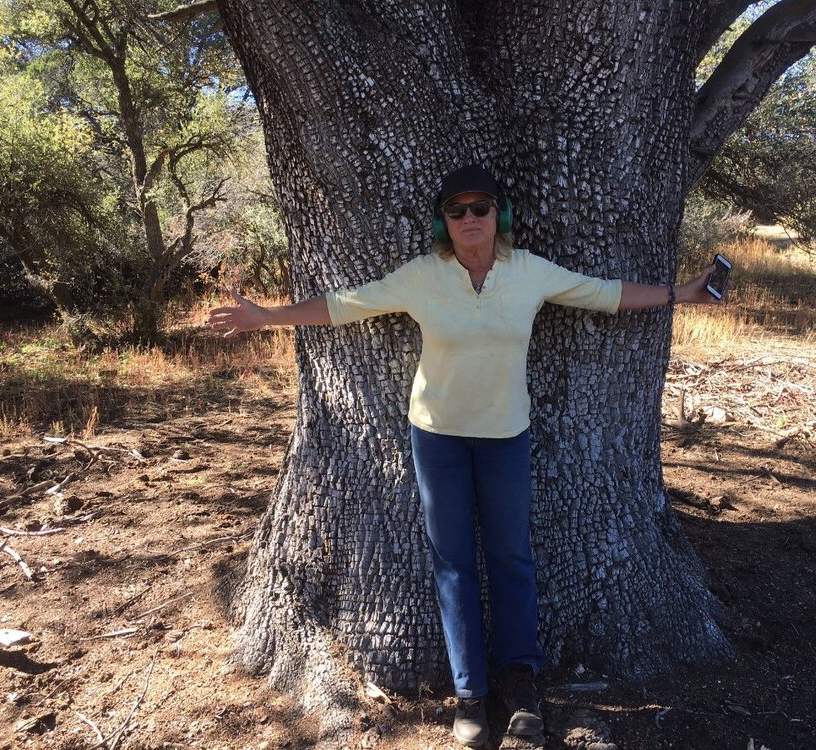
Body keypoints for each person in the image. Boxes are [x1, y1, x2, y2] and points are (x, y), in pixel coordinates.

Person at [209, 165, 718, 747]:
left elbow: (604, 293)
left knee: (511, 557)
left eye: (481, 208)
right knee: (452, 564)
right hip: (438, 438)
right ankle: (470, 693)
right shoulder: (423, 277)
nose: (470, 219)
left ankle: (521, 684)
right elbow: (347, 304)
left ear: (498, 216)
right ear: (443, 222)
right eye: (457, 210)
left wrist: (684, 292)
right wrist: (268, 316)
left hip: (506, 436)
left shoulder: (528, 272)